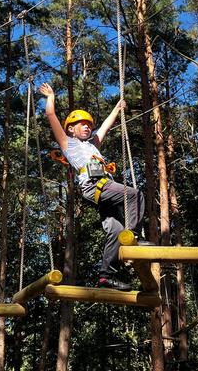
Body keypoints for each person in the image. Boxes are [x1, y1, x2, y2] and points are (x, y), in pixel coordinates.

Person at [40, 82, 146, 291]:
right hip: (94, 185)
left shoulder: (92, 145)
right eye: (82, 124)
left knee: (115, 230)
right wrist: (51, 97)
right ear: (71, 129)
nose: (88, 127)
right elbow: (51, 117)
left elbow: (105, 127)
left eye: (89, 124)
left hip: (104, 186)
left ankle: (106, 276)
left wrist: (116, 109)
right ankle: (134, 237)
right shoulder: (68, 144)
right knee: (133, 195)